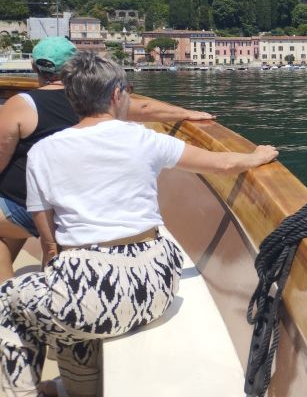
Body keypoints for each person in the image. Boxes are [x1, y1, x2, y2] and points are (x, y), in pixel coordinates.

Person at [0, 52, 278, 396]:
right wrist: (256, 156)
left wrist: (60, 261)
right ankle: (72, 385)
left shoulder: (43, 152)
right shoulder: (143, 139)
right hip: (155, 286)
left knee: (13, 299)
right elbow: (221, 164)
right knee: (73, 299)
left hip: (88, 292)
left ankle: (23, 392)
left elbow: (48, 237)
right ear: (117, 95)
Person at [0, 37, 214, 281]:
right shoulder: (97, 98)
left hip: (35, 209)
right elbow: (145, 109)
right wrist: (187, 113)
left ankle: (5, 297)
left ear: (35, 68)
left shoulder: (22, 105)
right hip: (82, 209)